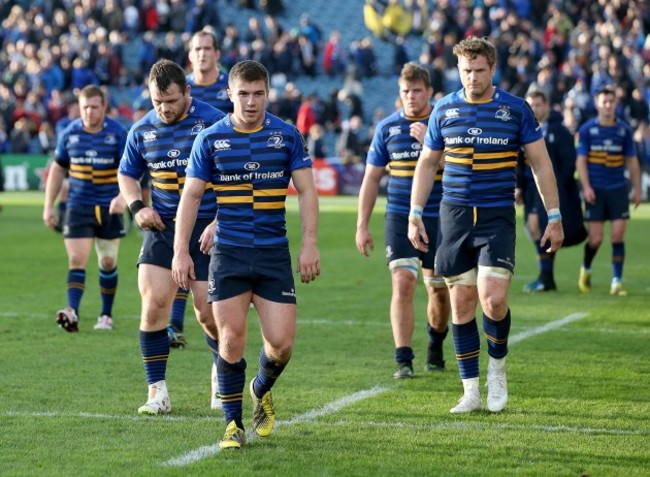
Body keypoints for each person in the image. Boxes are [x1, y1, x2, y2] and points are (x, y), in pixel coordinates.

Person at [407, 36, 563, 414]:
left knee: (493, 300)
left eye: (479, 70)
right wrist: (414, 212)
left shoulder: (515, 110)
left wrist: (554, 216)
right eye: (466, 71)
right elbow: (428, 164)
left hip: (495, 216)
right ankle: (470, 390)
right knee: (461, 303)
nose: (472, 77)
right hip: (454, 216)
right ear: (457, 70)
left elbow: (540, 164)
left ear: (493, 69)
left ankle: (497, 373)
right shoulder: (444, 110)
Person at [171, 60, 320, 449]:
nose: (251, 102)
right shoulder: (211, 139)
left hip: (273, 254)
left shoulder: (287, 137)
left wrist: (309, 245)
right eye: (243, 94)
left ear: (267, 94)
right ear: (229, 94)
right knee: (231, 339)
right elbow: (190, 195)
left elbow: (307, 191)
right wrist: (180, 252)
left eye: (258, 94)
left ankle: (261, 388)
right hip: (230, 255)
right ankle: (232, 424)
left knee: (281, 344)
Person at [117, 59, 225, 415]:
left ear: (188, 93)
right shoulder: (141, 131)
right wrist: (137, 207)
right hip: (162, 229)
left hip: (207, 228)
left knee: (207, 313)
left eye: (172, 101)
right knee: (153, 306)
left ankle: (221, 375)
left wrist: (221, 220)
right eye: (157, 101)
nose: (163, 109)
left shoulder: (213, 123)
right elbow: (127, 175)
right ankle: (157, 393)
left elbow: (235, 177)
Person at [356, 62, 450, 379]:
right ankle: (403, 359)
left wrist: (433, 145)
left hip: (440, 215)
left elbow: (463, 169)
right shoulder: (387, 128)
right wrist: (361, 225)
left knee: (438, 288)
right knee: (403, 281)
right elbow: (371, 179)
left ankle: (436, 343)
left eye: (417, 91)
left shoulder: (443, 123)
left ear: (429, 92)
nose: (411, 97)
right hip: (399, 215)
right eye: (405, 91)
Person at [165, 28, 235, 351]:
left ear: (217, 53)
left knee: (212, 289)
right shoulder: (176, 89)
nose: (203, 54)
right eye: (197, 49)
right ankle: (175, 323)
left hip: (219, 189)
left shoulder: (230, 90)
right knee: (181, 253)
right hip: (178, 187)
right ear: (190, 55)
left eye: (208, 48)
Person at [43, 85, 128, 332]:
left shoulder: (117, 134)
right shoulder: (69, 134)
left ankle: (106, 315)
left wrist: (124, 197)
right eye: (85, 108)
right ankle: (73, 312)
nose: (89, 112)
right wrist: (48, 205)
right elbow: (58, 169)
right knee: (77, 258)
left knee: (108, 261)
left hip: (109, 206)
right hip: (78, 205)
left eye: (94, 107)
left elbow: (130, 171)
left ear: (104, 107)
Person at [517, 91, 587, 292]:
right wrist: (519, 185)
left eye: (539, 104)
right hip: (530, 189)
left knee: (537, 228)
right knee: (534, 230)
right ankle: (545, 276)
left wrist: (558, 186)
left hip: (548, 189)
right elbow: (519, 161)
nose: (535, 109)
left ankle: (545, 276)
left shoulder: (560, 131)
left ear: (547, 106)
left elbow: (568, 163)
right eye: (531, 105)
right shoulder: (523, 129)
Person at [576, 85, 641, 296]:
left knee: (617, 236)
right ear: (597, 104)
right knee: (596, 239)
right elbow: (581, 161)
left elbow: (632, 161)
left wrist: (637, 189)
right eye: (604, 101)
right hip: (595, 191)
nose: (608, 105)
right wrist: (586, 187)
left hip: (617, 189)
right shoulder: (587, 130)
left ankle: (617, 282)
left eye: (611, 101)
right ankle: (585, 268)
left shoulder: (623, 130)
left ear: (616, 104)